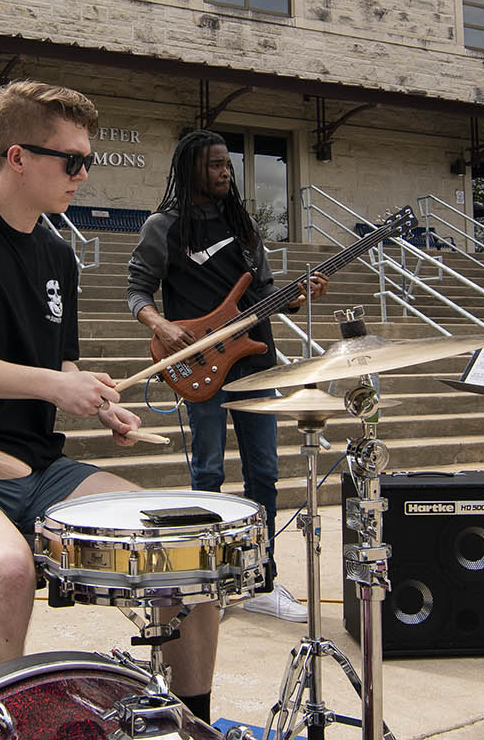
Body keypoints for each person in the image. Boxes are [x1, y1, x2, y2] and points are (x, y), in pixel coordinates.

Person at [0, 80, 222, 719]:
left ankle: (188, 723)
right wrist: (54, 384)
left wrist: (95, 398)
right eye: (71, 160)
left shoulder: (59, 253)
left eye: (88, 160)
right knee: (5, 571)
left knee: (181, 549)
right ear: (17, 157)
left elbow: (58, 362)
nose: (83, 174)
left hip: (33, 467)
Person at [125, 129, 328, 624]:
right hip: (202, 367)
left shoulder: (242, 224)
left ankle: (261, 580)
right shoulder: (164, 226)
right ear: (191, 167)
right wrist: (161, 326)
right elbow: (137, 290)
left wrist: (299, 297)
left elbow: (264, 293)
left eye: (227, 164)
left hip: (257, 363)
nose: (225, 172)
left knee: (264, 473)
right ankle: (207, 581)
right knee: (209, 474)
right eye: (215, 164)